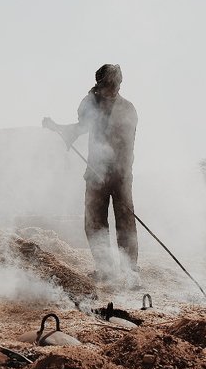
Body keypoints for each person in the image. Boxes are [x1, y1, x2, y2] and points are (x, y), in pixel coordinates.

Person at [43, 63, 139, 286]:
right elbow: (81, 126)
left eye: (111, 85)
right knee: (95, 222)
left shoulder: (127, 110)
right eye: (103, 86)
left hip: (120, 175)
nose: (108, 89)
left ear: (117, 85)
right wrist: (57, 127)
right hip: (96, 174)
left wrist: (114, 174)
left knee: (125, 223)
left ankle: (130, 272)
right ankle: (106, 270)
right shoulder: (94, 103)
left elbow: (126, 147)